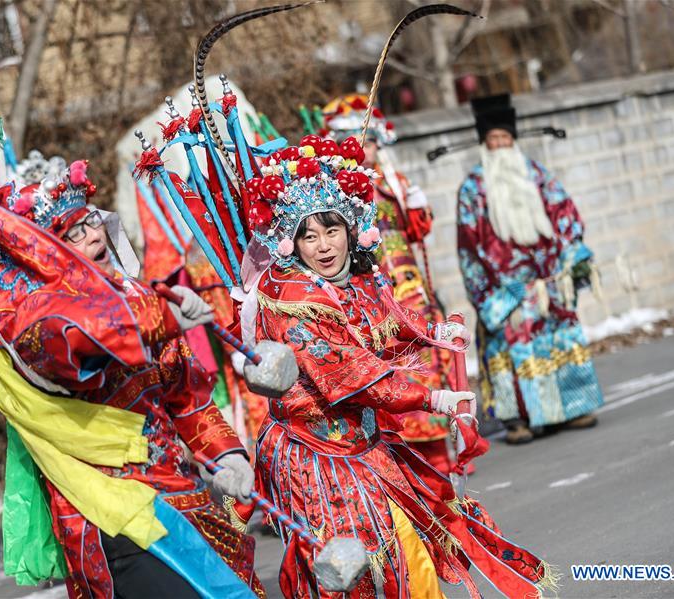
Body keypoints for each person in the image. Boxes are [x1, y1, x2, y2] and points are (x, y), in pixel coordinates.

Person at [0, 131, 265, 599]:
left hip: (180, 492)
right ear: (47, 254)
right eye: (74, 233)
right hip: (107, 508)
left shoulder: (139, 293)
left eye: (92, 223)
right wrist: (160, 318)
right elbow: (75, 339)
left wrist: (227, 455)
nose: (94, 236)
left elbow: (186, 396)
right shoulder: (36, 316)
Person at [244, 135, 556, 598]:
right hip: (318, 454)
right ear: (292, 243)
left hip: (364, 443)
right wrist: (432, 397)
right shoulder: (294, 301)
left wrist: (433, 333)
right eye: (309, 236)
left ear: (352, 230)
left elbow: (385, 314)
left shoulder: (354, 276)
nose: (324, 246)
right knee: (362, 570)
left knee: (410, 553)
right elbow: (348, 373)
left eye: (333, 231)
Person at [457, 94, 604, 444]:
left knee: (559, 339)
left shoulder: (538, 176)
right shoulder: (473, 188)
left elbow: (566, 215)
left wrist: (572, 261)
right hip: (506, 289)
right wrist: (487, 293)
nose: (500, 146)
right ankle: (517, 419)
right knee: (508, 349)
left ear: (514, 140)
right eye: (493, 140)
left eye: (505, 139)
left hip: (546, 284)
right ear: (484, 144)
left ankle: (574, 407)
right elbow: (469, 245)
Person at [322, 94, 455, 467]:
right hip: (376, 292)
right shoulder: (342, 190)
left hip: (411, 284)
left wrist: (416, 206)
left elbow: (416, 231)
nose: (373, 150)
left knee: (428, 358)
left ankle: (441, 445)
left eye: (377, 143)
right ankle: (409, 450)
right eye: (365, 143)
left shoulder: (394, 183)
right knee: (392, 364)